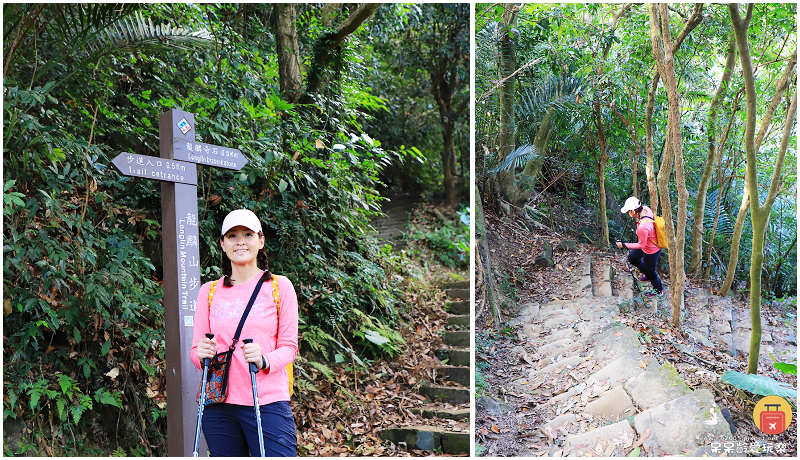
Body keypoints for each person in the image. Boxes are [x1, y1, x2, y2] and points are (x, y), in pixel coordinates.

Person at [191, 209, 298, 456]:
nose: (240, 241)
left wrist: (264, 359)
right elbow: (197, 353)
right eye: (232, 235)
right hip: (219, 405)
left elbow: (290, 347)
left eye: (248, 234)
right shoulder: (208, 292)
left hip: (267, 401)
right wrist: (202, 353)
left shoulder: (279, 287)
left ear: (260, 241)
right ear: (222, 244)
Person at [616, 197, 664, 298]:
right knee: (632, 258)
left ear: (634, 211)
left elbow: (641, 245)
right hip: (646, 244)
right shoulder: (645, 209)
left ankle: (659, 291)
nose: (628, 213)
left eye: (629, 211)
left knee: (651, 272)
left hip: (651, 250)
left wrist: (624, 245)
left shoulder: (644, 226)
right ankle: (647, 273)